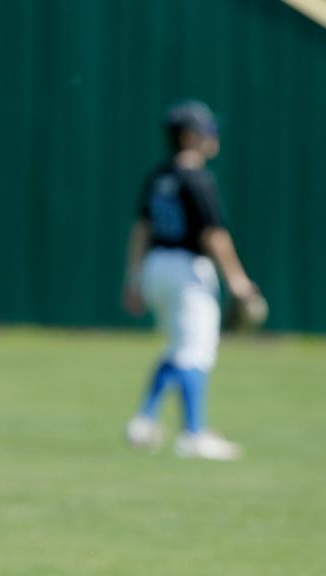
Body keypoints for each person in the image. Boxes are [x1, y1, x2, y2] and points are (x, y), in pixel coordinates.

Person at [122, 100, 260, 461]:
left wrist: (134, 278)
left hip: (155, 265)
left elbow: (141, 228)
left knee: (178, 349)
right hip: (186, 269)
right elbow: (213, 234)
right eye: (206, 129)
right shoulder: (197, 177)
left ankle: (144, 420)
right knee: (196, 351)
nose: (212, 135)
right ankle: (194, 434)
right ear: (188, 136)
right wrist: (238, 281)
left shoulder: (159, 175)